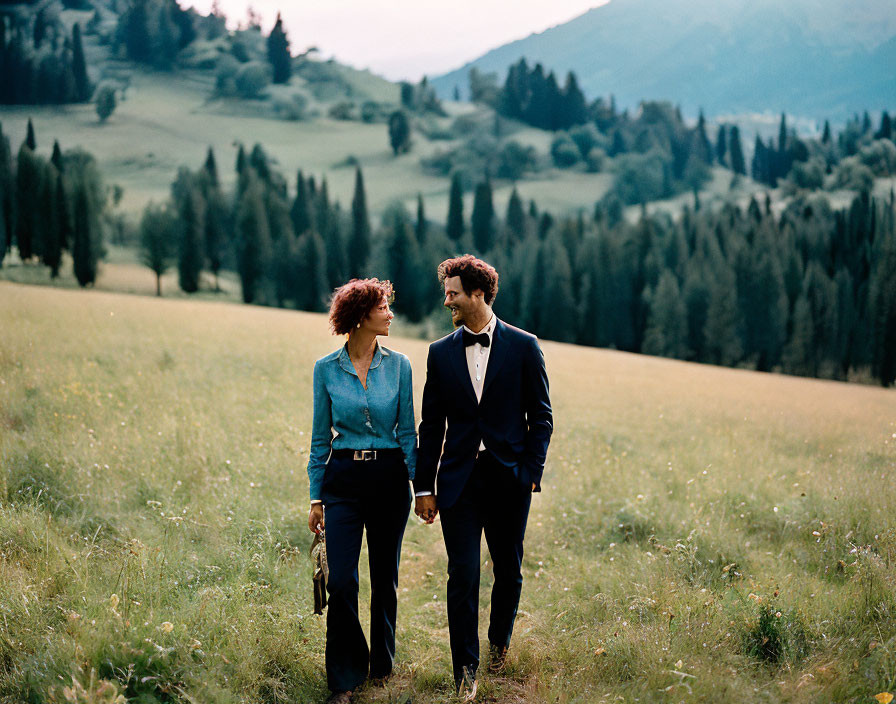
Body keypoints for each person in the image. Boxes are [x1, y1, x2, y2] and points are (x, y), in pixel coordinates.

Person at [413, 255, 552, 701]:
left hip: (510, 479)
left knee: (509, 571)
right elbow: (430, 425)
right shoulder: (439, 352)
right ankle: (466, 672)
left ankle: (500, 642)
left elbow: (542, 418)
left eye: (453, 293)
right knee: (463, 574)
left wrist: (531, 473)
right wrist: (425, 485)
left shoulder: (525, 346)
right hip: (459, 483)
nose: (446, 300)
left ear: (479, 294)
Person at [306, 278, 417, 704]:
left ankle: (382, 666)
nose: (390, 314)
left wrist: (421, 487)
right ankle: (343, 679)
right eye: (384, 307)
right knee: (344, 582)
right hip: (344, 484)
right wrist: (316, 497)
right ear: (360, 316)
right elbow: (320, 440)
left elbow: (407, 432)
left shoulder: (401, 365)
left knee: (384, 578)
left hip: (389, 480)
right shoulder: (325, 369)